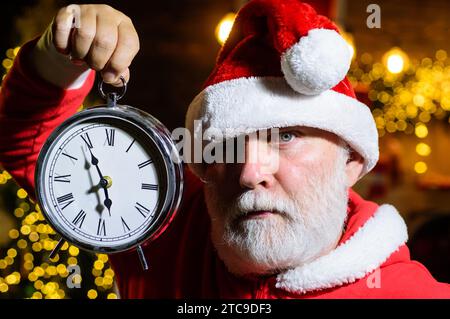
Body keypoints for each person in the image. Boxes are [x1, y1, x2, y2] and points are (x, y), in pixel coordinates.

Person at [0, 0, 449, 298]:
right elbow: (31, 144)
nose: (251, 171)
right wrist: (62, 55)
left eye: (286, 136)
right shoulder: (161, 224)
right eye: (228, 143)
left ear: (351, 159)